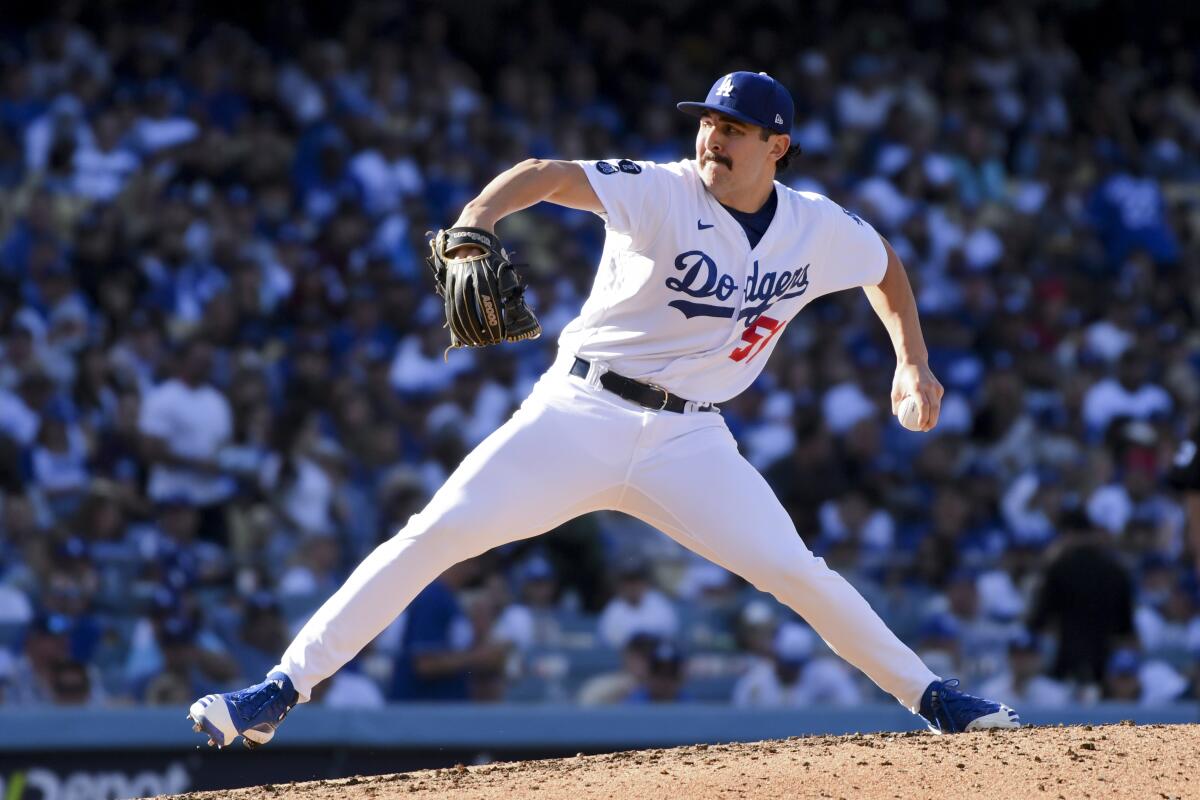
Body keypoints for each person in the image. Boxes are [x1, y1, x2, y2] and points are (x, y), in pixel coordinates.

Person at [189, 71, 1017, 748]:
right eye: (707, 123)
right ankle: (280, 689)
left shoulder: (815, 227)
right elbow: (549, 175)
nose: (712, 138)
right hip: (579, 414)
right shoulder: (662, 192)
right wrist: (478, 218)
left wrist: (913, 362)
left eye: (733, 128)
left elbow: (886, 269)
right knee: (435, 533)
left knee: (798, 573)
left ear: (778, 147)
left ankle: (934, 698)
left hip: (692, 440)